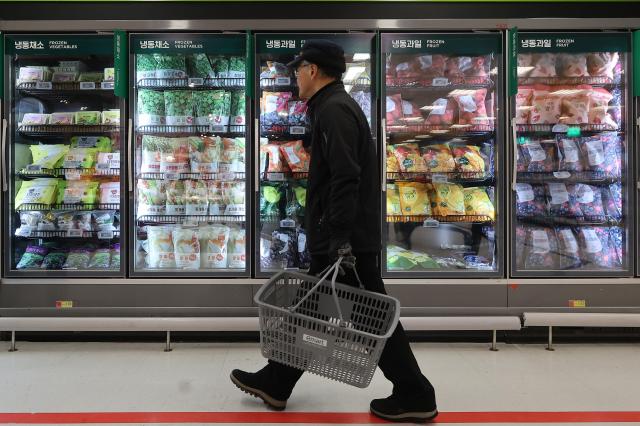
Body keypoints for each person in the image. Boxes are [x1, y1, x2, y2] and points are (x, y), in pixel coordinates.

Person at [230, 40, 438, 423]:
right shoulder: (331, 107)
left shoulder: (335, 110)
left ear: (313, 70)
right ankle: (277, 382)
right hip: (342, 235)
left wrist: (338, 236)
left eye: (298, 70)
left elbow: (346, 177)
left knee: (371, 316)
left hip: (346, 240)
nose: (294, 77)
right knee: (312, 309)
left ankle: (416, 392)